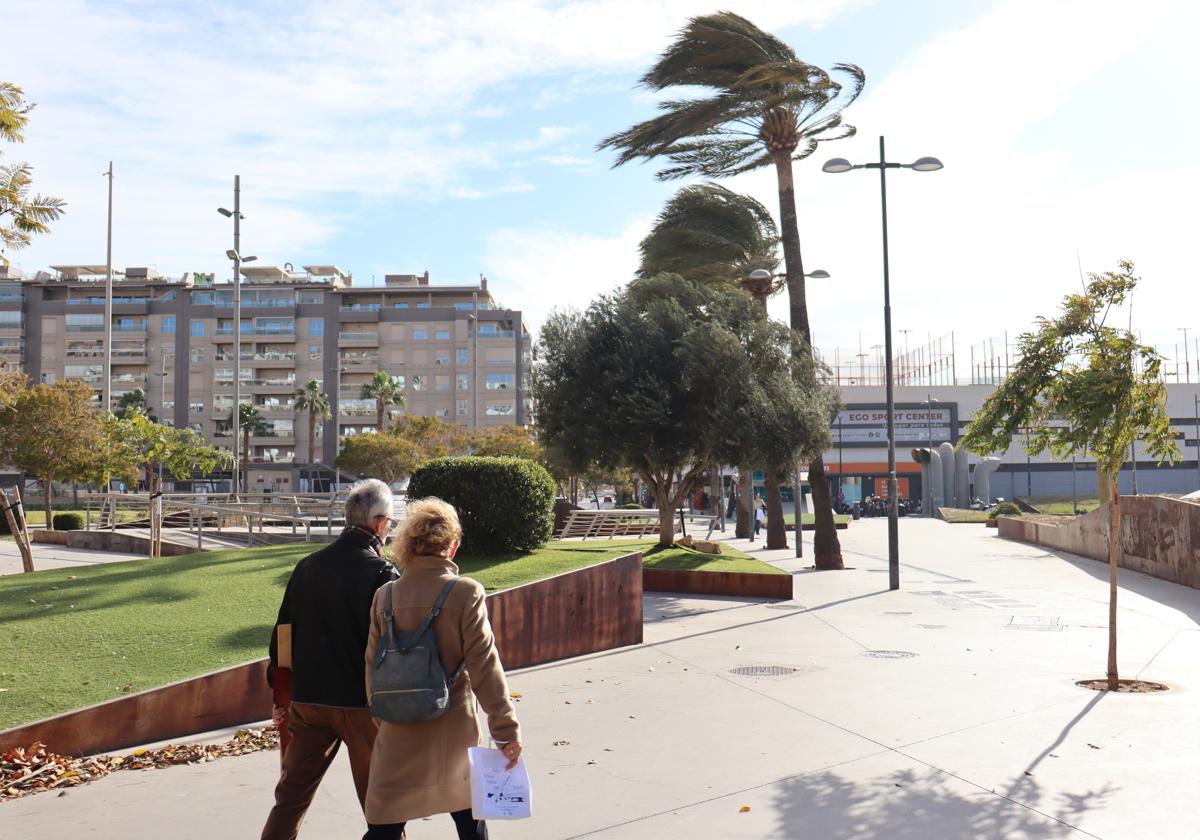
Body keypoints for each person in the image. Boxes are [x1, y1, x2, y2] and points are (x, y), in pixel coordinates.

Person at [363, 498, 521, 840]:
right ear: (453, 546)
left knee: (384, 826)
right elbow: (484, 665)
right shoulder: (465, 592)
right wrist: (505, 730)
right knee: (469, 821)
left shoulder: (385, 596)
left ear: (409, 545)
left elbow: (371, 667)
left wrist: (386, 716)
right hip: (452, 729)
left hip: (396, 728)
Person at [261, 478, 399, 840]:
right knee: (382, 806)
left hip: (308, 702)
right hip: (362, 705)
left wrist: (281, 694)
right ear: (380, 523)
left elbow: (283, 636)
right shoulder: (382, 573)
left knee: (290, 798)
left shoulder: (307, 567)